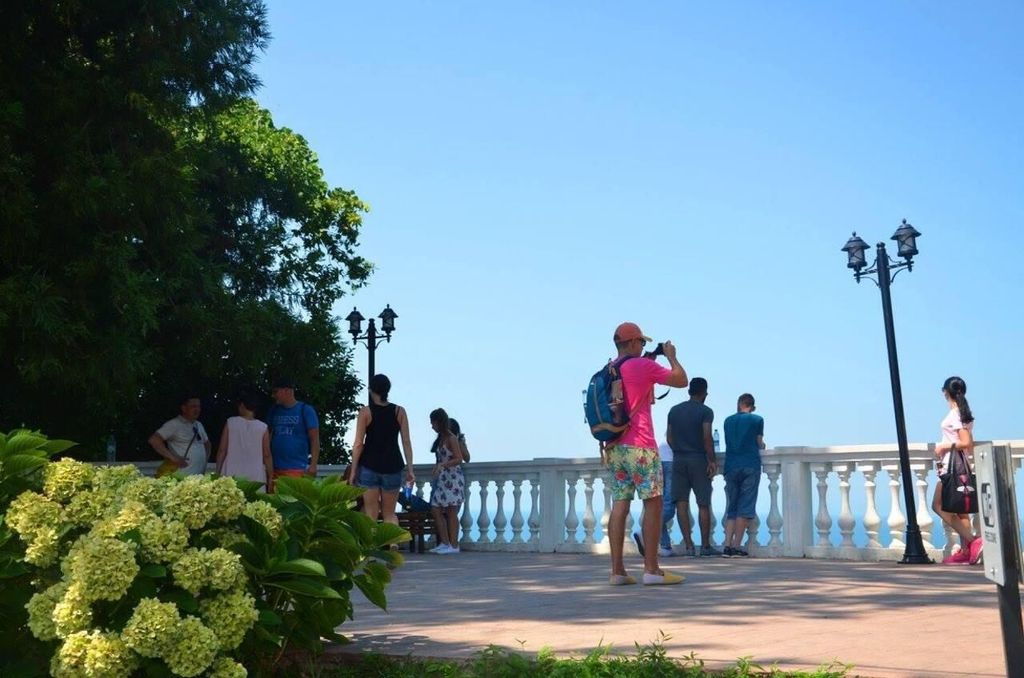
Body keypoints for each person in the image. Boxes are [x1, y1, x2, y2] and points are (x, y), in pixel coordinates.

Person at [606, 322, 688, 586]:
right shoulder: (642, 366)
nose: (642, 347)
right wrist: (671, 355)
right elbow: (681, 380)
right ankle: (652, 569)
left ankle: (617, 571)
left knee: (620, 504)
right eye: (641, 342)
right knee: (653, 503)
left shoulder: (609, 368)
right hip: (640, 444)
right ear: (631, 343)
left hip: (615, 445)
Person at [349, 374, 414, 528]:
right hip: (393, 465)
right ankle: (392, 544)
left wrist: (353, 471)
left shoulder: (365, 412)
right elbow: (406, 442)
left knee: (370, 512)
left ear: (371, 390)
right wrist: (410, 469)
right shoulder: (399, 412)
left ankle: (371, 547)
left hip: (369, 465)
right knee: (390, 514)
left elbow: (358, 444)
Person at [666, 377, 720, 557]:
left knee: (681, 502)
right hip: (698, 459)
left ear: (689, 391)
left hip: (679, 459)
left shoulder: (674, 411)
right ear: (704, 393)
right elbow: (707, 437)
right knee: (703, 503)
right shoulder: (706, 412)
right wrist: (711, 460)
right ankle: (705, 546)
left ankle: (689, 546)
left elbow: (669, 437)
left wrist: (678, 450)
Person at [933, 376, 983, 565]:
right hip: (960, 465)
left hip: (953, 467)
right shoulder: (963, 412)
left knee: (937, 505)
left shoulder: (956, 414)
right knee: (961, 511)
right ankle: (966, 550)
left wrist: (944, 446)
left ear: (946, 391)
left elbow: (966, 443)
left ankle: (973, 541)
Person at [722, 393, 765, 557]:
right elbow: (759, 442)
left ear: (738, 404)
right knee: (745, 507)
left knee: (732, 507)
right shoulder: (757, 420)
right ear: (752, 407)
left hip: (731, 466)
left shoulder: (728, 421)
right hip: (750, 465)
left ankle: (726, 546)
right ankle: (736, 546)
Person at [216, 390, 273, 491]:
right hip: (255, 475)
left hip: (232, 472)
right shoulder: (263, 427)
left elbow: (222, 450)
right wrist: (270, 477)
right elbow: (267, 454)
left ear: (242, 405)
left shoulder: (231, 422)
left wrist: (217, 472)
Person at [268, 377, 320, 481]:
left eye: (276, 391)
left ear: (287, 390)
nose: (273, 395)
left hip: (298, 469)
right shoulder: (274, 411)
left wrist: (313, 465)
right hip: (275, 469)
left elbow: (314, 439)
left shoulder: (305, 410)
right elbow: (268, 436)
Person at [428, 408, 465, 554]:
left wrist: (443, 465)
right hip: (444, 479)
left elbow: (458, 458)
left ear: (439, 422)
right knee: (436, 508)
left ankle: (454, 545)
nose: (431, 426)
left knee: (451, 511)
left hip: (453, 478)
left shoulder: (451, 438)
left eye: (433, 422)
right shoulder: (441, 439)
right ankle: (445, 542)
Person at [149, 393, 211, 477]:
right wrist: (173, 458)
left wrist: (204, 459)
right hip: (180, 477)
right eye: (193, 406)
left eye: (198, 406)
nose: (197, 409)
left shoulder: (198, 424)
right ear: (184, 408)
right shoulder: (174, 424)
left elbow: (207, 444)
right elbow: (154, 440)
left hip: (197, 477)